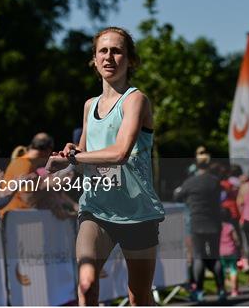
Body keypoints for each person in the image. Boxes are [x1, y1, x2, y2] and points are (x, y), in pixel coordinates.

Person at [46, 27, 165, 306]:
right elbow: (83, 155)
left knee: (138, 295)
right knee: (86, 286)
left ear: (130, 60)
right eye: (103, 50)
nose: (109, 57)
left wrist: (74, 158)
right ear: (94, 59)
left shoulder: (136, 100)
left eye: (117, 50)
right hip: (96, 209)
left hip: (137, 212)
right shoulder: (90, 106)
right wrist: (62, 164)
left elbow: (120, 153)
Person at [174, 153, 226, 303]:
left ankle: (200, 291)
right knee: (215, 256)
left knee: (198, 257)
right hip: (214, 222)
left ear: (196, 165)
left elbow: (177, 197)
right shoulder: (215, 181)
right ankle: (221, 289)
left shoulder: (190, 182)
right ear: (209, 165)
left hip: (196, 222)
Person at [219, 210, 241, 297]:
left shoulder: (218, 227)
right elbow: (236, 239)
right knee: (233, 270)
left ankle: (223, 289)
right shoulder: (230, 227)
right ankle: (234, 290)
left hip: (221, 252)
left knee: (223, 271)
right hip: (231, 251)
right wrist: (238, 245)